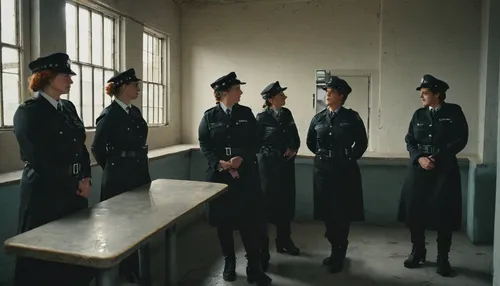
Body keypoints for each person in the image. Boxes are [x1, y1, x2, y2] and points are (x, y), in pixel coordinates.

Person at [12, 52, 94, 285]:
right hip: (44, 193)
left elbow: (81, 147)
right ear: (47, 77)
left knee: (73, 252)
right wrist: (74, 183)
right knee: (44, 257)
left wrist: (86, 178)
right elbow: (39, 160)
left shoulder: (67, 108)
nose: (70, 80)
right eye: (65, 75)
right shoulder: (29, 112)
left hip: (74, 191)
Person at [198, 71, 272, 285]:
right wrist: (218, 163)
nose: (241, 92)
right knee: (224, 223)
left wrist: (244, 157)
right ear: (224, 93)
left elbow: (257, 141)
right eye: (237, 89)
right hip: (221, 179)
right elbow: (205, 145)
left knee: (251, 222)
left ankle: (253, 266)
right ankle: (229, 262)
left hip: (246, 177)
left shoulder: (246, 113)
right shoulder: (209, 117)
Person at [398, 74, 468, 277]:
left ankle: (442, 258)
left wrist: (436, 157)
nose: (422, 96)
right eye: (421, 93)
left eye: (426, 93)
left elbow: (460, 139)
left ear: (438, 94)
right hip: (419, 168)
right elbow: (410, 140)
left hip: (443, 168)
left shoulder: (453, 112)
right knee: (414, 210)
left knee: (444, 213)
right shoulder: (418, 114)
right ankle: (418, 250)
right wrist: (419, 158)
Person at [91, 68, 151, 282]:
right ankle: (120, 270)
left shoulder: (134, 112)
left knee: (137, 224)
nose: (138, 89)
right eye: (135, 85)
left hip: (138, 172)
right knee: (119, 226)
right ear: (124, 87)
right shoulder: (110, 114)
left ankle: (133, 267)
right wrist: (113, 168)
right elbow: (97, 148)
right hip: (118, 177)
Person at [306, 76, 368, 273]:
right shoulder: (318, 118)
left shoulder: (352, 117)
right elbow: (310, 142)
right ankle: (334, 248)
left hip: (344, 171)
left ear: (341, 96)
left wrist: (349, 157)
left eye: (331, 92)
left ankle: (340, 252)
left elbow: (361, 142)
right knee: (327, 212)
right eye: (327, 92)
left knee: (342, 212)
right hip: (323, 171)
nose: (327, 95)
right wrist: (324, 156)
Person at [256, 81, 301, 271]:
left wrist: (294, 148)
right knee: (267, 205)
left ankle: (284, 240)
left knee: (286, 202)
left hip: (285, 166)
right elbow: (255, 142)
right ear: (271, 99)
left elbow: (296, 137)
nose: (285, 98)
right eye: (281, 95)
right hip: (267, 167)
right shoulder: (261, 118)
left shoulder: (287, 114)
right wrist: (266, 154)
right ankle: (262, 247)